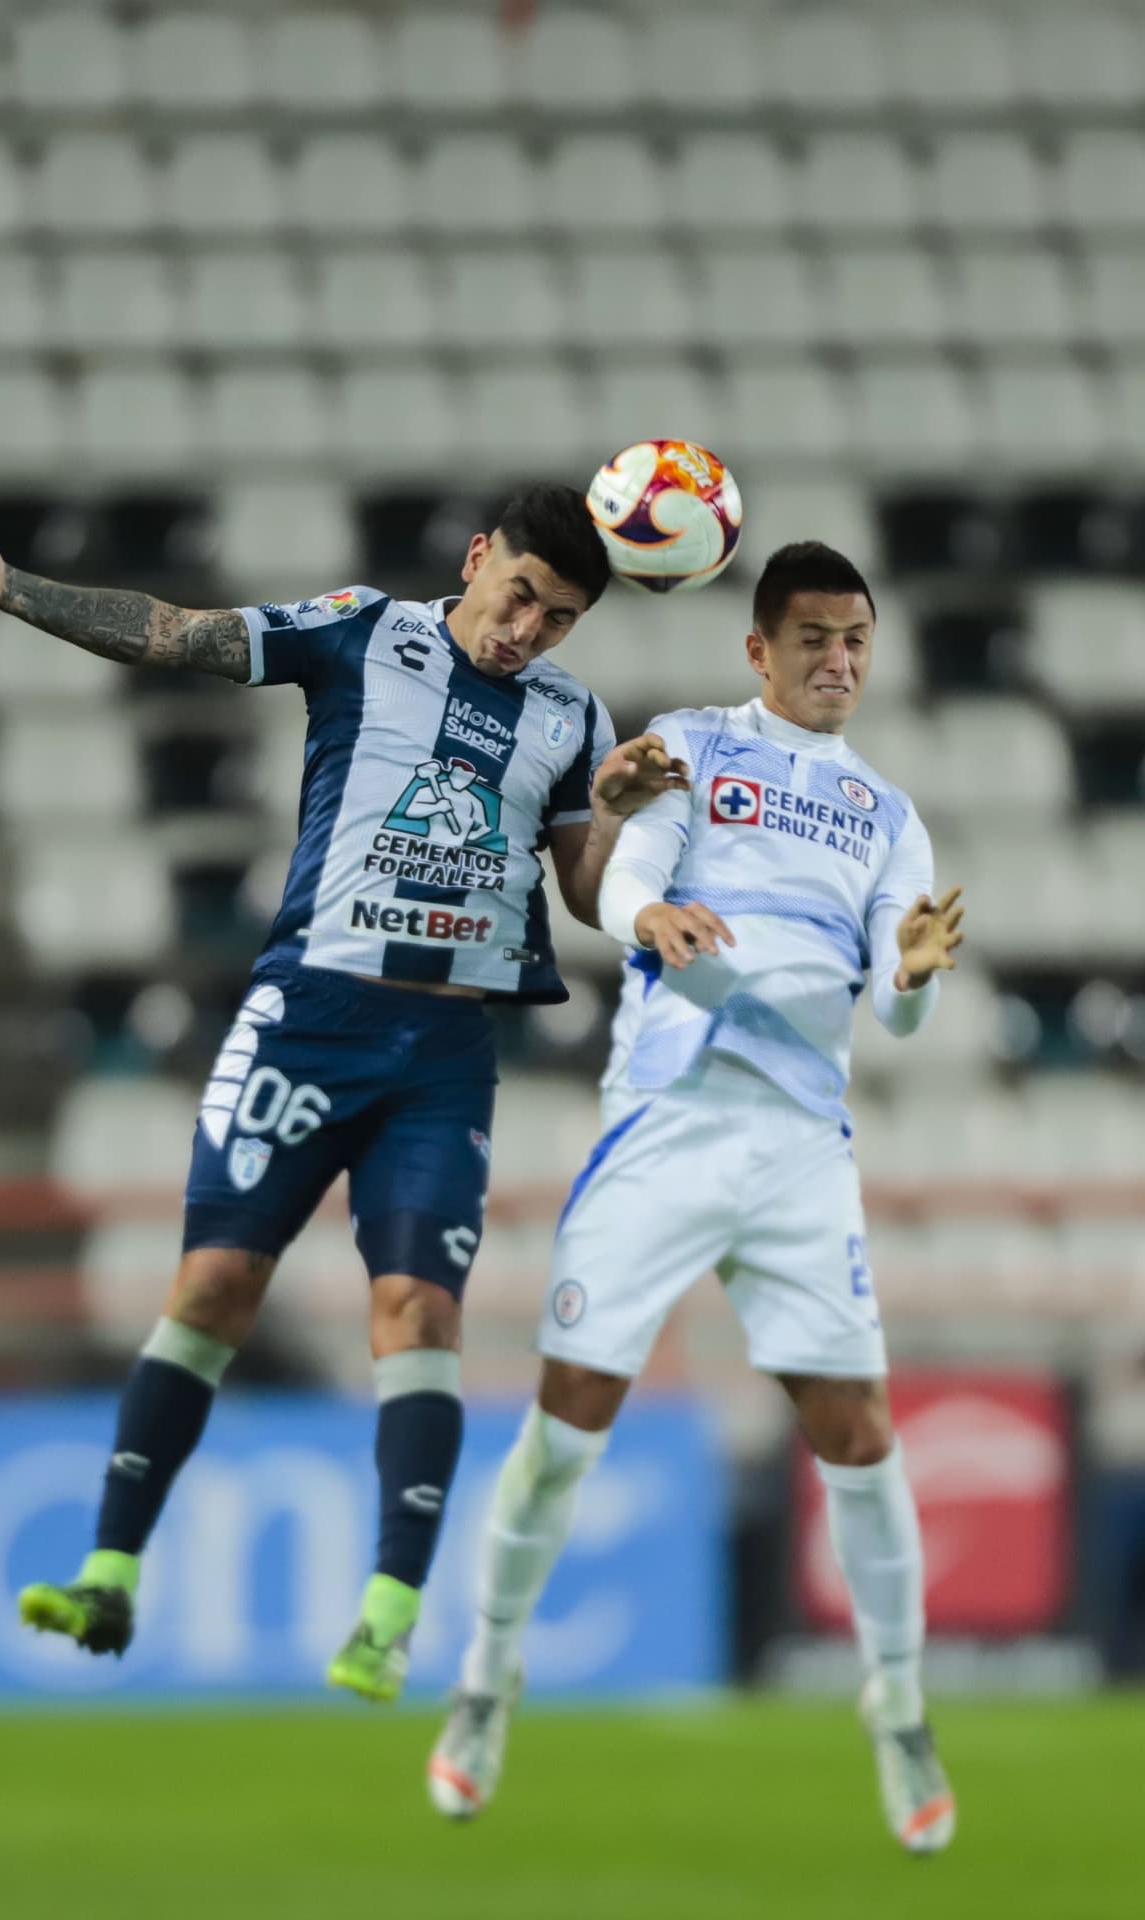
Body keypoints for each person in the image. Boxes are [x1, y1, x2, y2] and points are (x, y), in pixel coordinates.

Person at [0, 485, 689, 1702]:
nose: (526, 633)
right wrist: (15, 591)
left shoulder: (572, 715)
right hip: (307, 1021)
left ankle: (386, 1617)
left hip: (441, 1058)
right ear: (477, 556)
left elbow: (587, 896)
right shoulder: (361, 630)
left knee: (420, 1317)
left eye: (557, 621)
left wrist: (609, 815)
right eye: (518, 599)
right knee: (215, 1285)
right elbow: (180, 634)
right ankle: (109, 1572)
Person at [430, 542, 965, 1854]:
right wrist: (643, 913)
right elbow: (624, 860)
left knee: (857, 1435)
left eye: (857, 641)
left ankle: (898, 1706)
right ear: (759, 650)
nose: (839, 662)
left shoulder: (890, 814)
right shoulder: (692, 747)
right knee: (569, 1424)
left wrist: (911, 977)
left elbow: (898, 1019)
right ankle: (486, 1682)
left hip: (796, 1146)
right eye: (814, 640)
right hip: (670, 1118)